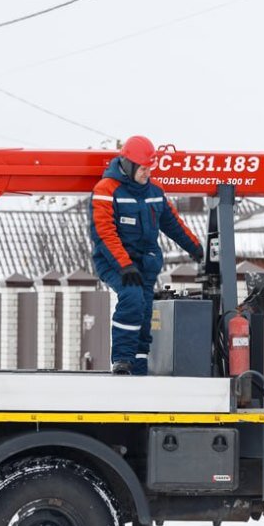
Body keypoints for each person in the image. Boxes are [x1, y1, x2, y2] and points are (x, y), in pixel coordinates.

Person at [89, 136, 205, 375]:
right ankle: (122, 360)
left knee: (143, 311)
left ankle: (139, 365)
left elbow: (172, 224)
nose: (146, 173)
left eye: (149, 168)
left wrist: (195, 248)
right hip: (115, 262)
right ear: (129, 165)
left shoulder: (154, 192)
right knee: (131, 298)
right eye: (142, 168)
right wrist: (124, 265)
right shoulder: (106, 190)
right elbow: (104, 233)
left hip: (145, 264)